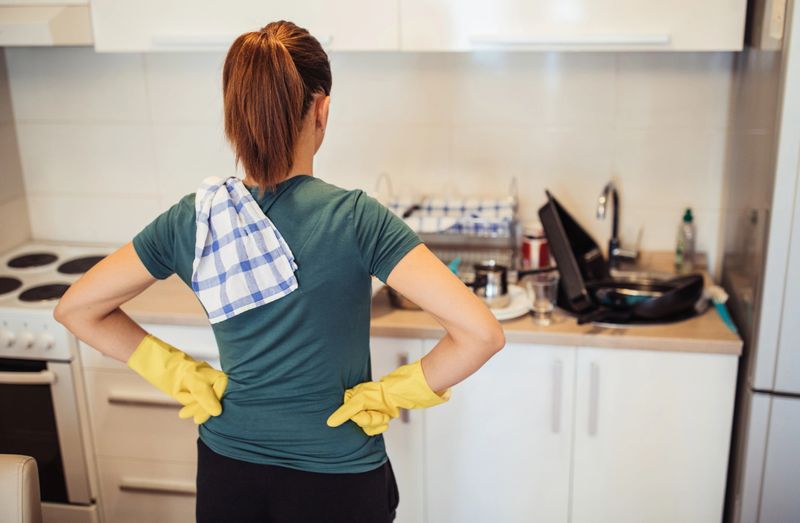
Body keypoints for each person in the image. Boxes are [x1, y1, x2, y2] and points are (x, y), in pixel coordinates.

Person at [53, 20, 505, 523]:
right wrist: (394, 392)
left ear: (235, 115)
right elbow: (479, 333)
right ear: (321, 109)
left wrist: (174, 371)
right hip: (339, 474)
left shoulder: (195, 217)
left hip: (229, 469)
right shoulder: (356, 218)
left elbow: (77, 308)